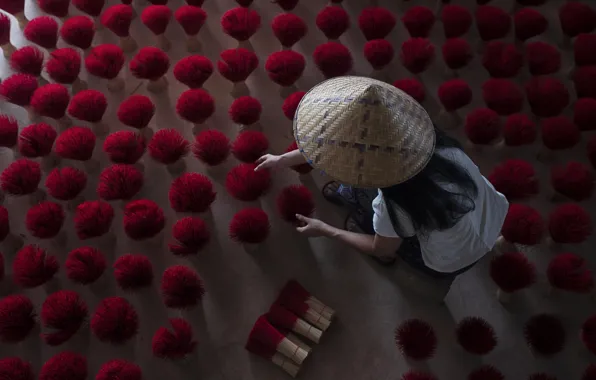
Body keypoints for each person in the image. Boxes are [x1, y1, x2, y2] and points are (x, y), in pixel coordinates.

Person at [256, 76, 509, 282]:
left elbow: (381, 248)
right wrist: (281, 159)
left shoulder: (395, 205)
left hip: (451, 259)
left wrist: (326, 230)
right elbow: (336, 145)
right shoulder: (442, 148)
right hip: (490, 217)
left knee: (378, 229)